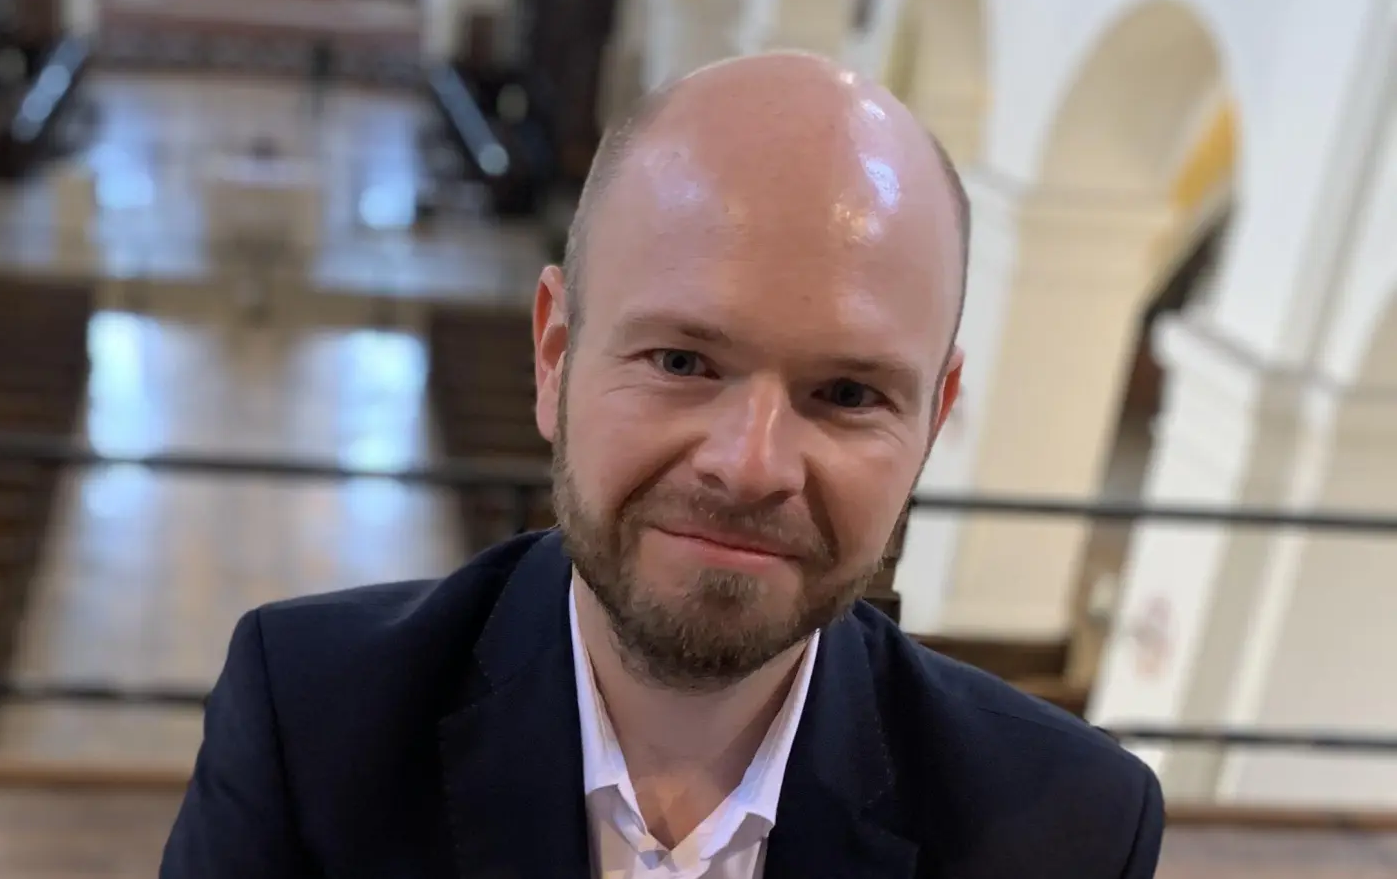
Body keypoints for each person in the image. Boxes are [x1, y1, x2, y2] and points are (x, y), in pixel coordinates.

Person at [160, 51, 1165, 879]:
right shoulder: (315, 721)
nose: (751, 465)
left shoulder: (1067, 831)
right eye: (683, 361)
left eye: (849, 395)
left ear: (932, 422)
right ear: (556, 355)